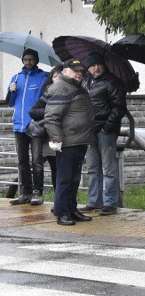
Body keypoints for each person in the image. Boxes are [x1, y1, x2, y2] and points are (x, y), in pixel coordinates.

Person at [43, 60, 94, 226]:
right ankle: (61, 212)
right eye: (74, 70)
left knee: (74, 178)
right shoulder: (60, 87)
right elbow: (51, 117)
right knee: (65, 178)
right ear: (65, 71)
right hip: (67, 141)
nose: (78, 73)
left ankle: (72, 209)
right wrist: (56, 138)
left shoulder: (78, 87)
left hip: (79, 139)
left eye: (80, 70)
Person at [80, 52, 127, 215]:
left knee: (108, 169)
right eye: (93, 65)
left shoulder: (112, 82)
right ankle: (94, 201)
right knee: (92, 168)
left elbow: (119, 107)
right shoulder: (85, 82)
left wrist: (107, 127)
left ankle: (110, 203)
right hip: (88, 131)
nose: (96, 68)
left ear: (104, 65)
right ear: (88, 67)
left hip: (105, 132)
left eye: (99, 64)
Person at [5, 48, 48, 206]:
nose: (28, 62)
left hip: (35, 125)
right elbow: (10, 102)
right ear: (22, 60)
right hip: (19, 126)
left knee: (37, 160)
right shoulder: (16, 77)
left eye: (31, 59)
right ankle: (25, 193)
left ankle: (38, 193)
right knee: (22, 161)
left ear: (36, 61)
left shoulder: (44, 77)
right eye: (26, 59)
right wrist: (12, 91)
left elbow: (47, 100)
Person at [28, 65, 63, 195]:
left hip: (58, 134)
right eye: (54, 76)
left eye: (60, 76)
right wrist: (50, 111)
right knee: (37, 162)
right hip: (44, 133)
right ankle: (37, 192)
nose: (57, 79)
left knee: (57, 167)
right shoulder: (47, 92)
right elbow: (32, 111)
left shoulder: (68, 93)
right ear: (51, 79)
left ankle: (58, 197)